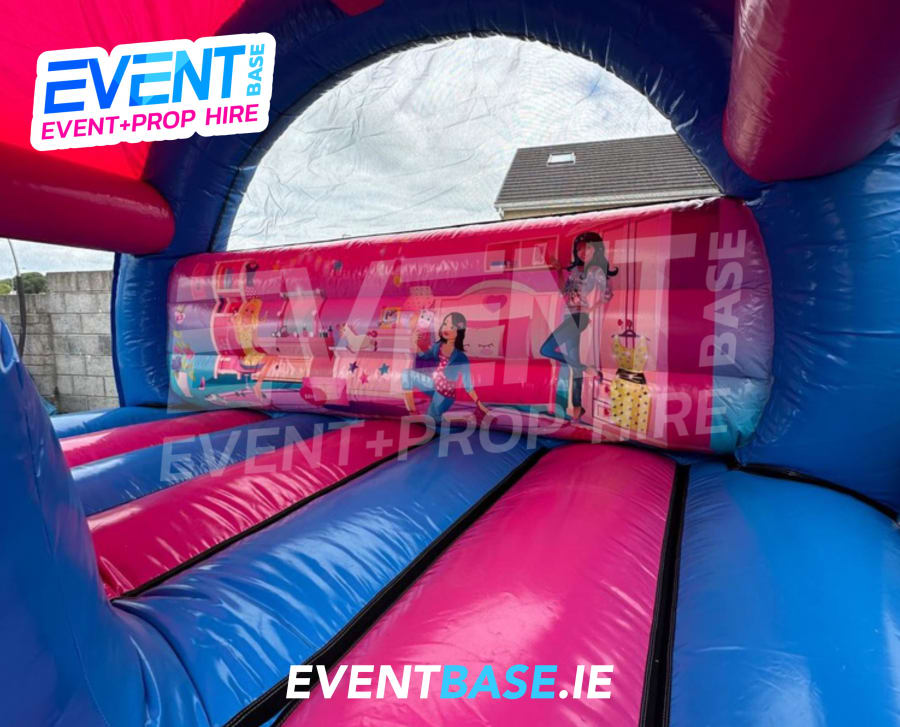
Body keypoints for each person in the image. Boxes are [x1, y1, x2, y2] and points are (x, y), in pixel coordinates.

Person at [540, 231, 617, 421]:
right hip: (569, 316)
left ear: (596, 250)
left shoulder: (596, 271)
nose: (583, 252)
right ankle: (576, 407)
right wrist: (559, 270)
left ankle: (586, 369)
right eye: (580, 249)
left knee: (546, 349)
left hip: (579, 317)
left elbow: (607, 293)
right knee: (571, 362)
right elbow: (563, 290)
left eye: (588, 248)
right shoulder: (576, 271)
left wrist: (590, 310)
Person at [402, 312, 489, 423]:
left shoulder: (461, 357)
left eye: (452, 327)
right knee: (407, 375)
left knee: (432, 420)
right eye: (445, 324)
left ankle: (466, 419)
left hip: (445, 393)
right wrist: (414, 342)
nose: (447, 329)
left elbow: (468, 386)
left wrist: (479, 404)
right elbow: (424, 356)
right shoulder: (438, 346)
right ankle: (412, 412)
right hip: (434, 385)